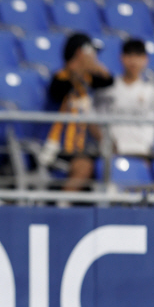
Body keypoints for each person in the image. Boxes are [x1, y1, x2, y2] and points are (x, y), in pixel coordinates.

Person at [38, 33, 114, 192]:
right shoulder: (60, 78)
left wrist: (95, 67)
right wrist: (81, 67)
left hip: (80, 147)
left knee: (110, 162)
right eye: (92, 53)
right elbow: (59, 90)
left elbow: (108, 80)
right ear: (80, 52)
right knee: (83, 166)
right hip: (56, 148)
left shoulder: (86, 80)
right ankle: (63, 203)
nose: (95, 57)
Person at [93, 39, 154, 157]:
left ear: (145, 59)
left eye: (138, 56)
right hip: (112, 154)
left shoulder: (151, 89)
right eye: (129, 55)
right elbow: (91, 118)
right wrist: (104, 141)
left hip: (142, 153)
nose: (133, 61)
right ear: (121, 57)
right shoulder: (107, 88)